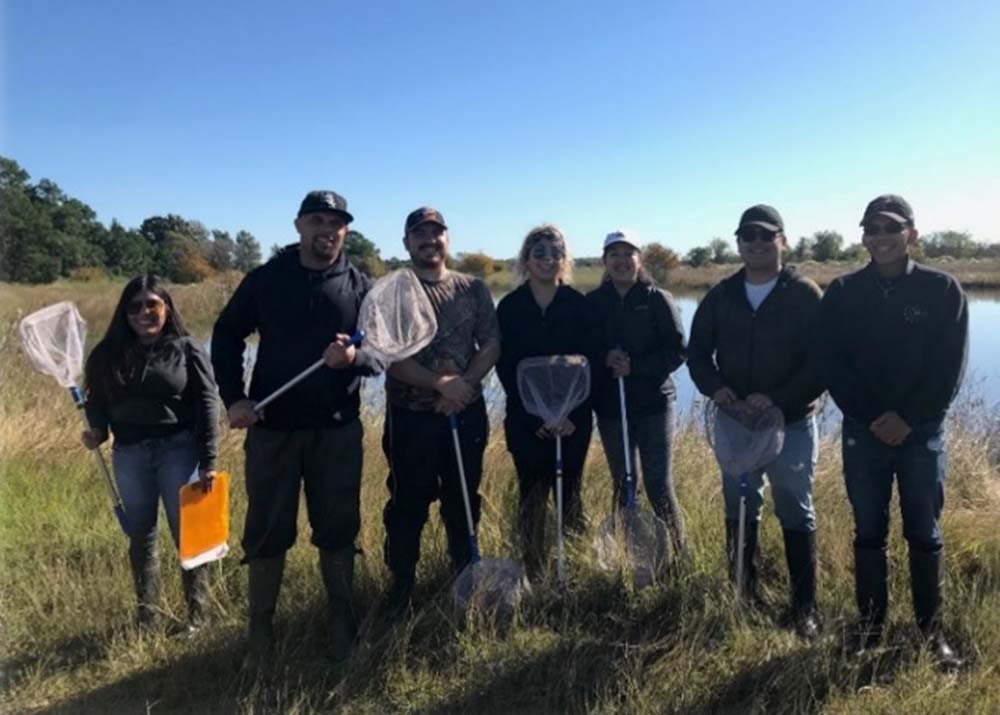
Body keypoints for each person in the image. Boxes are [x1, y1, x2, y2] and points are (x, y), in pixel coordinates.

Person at [211, 190, 373, 662]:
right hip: (274, 428)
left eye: (337, 222)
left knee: (338, 528)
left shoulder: (361, 286)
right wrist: (235, 397)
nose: (328, 230)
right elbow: (224, 335)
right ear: (299, 226)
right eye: (318, 220)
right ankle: (260, 634)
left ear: (346, 230)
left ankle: (342, 624)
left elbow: (381, 352)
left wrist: (354, 357)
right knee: (266, 530)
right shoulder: (266, 279)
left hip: (337, 430)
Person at [820, 194, 967, 668]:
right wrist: (870, 417)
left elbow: (949, 369)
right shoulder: (842, 292)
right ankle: (869, 631)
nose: (880, 237)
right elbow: (834, 365)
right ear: (863, 237)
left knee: (924, 532)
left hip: (921, 433)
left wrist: (907, 418)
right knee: (868, 531)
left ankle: (931, 634)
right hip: (863, 434)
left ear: (912, 234)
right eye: (871, 229)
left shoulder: (942, 291)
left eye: (890, 227)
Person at [688, 205, 824, 639]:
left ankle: (805, 608)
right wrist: (716, 388)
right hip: (737, 423)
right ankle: (742, 593)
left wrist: (779, 399)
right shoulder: (722, 294)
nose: (758, 244)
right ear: (739, 243)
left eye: (767, 236)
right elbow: (697, 353)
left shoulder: (804, 293)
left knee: (794, 505)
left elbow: (821, 364)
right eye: (749, 236)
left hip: (793, 423)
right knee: (741, 503)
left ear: (782, 241)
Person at [82, 274, 220, 634]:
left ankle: (199, 618)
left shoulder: (188, 349)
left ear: (166, 308)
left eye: (152, 305)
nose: (144, 312)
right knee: (141, 536)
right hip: (129, 454)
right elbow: (96, 401)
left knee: (189, 536)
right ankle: (148, 618)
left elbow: (207, 404)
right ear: (125, 313)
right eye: (135, 306)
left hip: (180, 450)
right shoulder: (106, 354)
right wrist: (97, 430)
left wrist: (209, 460)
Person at [382, 207, 500, 615]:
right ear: (406, 242)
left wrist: (463, 384)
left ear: (447, 239)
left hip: (466, 411)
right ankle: (402, 586)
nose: (429, 240)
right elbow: (390, 357)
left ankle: (465, 576)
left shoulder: (474, 289)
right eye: (420, 234)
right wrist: (438, 384)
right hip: (410, 415)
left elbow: (490, 345)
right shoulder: (393, 292)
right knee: (407, 502)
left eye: (437, 233)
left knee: (463, 497)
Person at [496, 224, 595, 582]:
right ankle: (534, 572)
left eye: (555, 254)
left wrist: (573, 415)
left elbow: (591, 364)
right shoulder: (509, 307)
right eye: (539, 253)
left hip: (574, 421)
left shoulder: (578, 305)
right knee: (532, 497)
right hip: (526, 421)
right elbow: (505, 367)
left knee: (570, 495)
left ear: (564, 260)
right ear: (526, 259)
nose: (547, 260)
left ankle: (575, 572)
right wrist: (532, 415)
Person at [586, 230, 689, 560]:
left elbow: (677, 352)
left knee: (659, 483)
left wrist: (636, 367)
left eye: (627, 253)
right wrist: (603, 358)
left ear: (639, 259)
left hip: (654, 404)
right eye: (613, 254)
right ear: (604, 261)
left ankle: (677, 555)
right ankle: (631, 557)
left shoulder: (657, 298)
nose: (621, 260)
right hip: (611, 407)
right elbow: (583, 349)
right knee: (623, 482)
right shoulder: (594, 302)